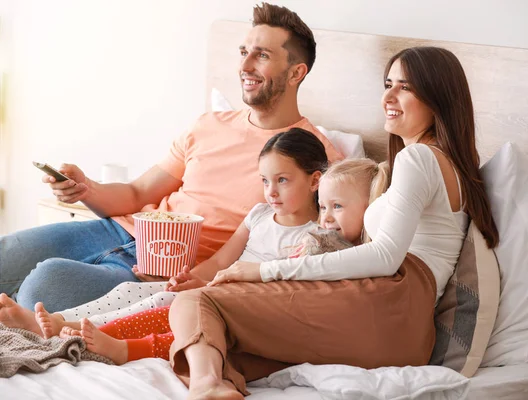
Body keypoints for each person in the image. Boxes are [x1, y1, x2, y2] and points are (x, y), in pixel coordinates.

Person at [167, 46, 500, 400]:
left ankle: (204, 387)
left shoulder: (419, 158)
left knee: (198, 301)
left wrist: (267, 271)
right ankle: (214, 383)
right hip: (405, 333)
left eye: (406, 87)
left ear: (438, 97)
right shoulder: (451, 166)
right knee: (227, 349)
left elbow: (385, 257)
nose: (388, 96)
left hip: (391, 305)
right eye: (388, 84)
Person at [0, 2, 342, 324]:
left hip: (170, 269)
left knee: (43, 285)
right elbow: (136, 193)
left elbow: (310, 245)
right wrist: (85, 188)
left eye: (262, 55)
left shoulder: (316, 158)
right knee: (7, 253)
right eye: (243, 52)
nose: (245, 65)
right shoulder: (209, 124)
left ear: (296, 72)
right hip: (119, 230)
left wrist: (193, 277)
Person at [52, 140, 389, 367]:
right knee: (140, 292)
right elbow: (219, 263)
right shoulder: (259, 215)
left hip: (242, 305)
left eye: (282, 180)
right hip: (218, 288)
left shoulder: (320, 237)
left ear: (315, 181)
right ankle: (64, 322)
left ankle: (96, 336)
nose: (271, 191)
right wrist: (189, 278)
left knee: (171, 315)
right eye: (265, 180)